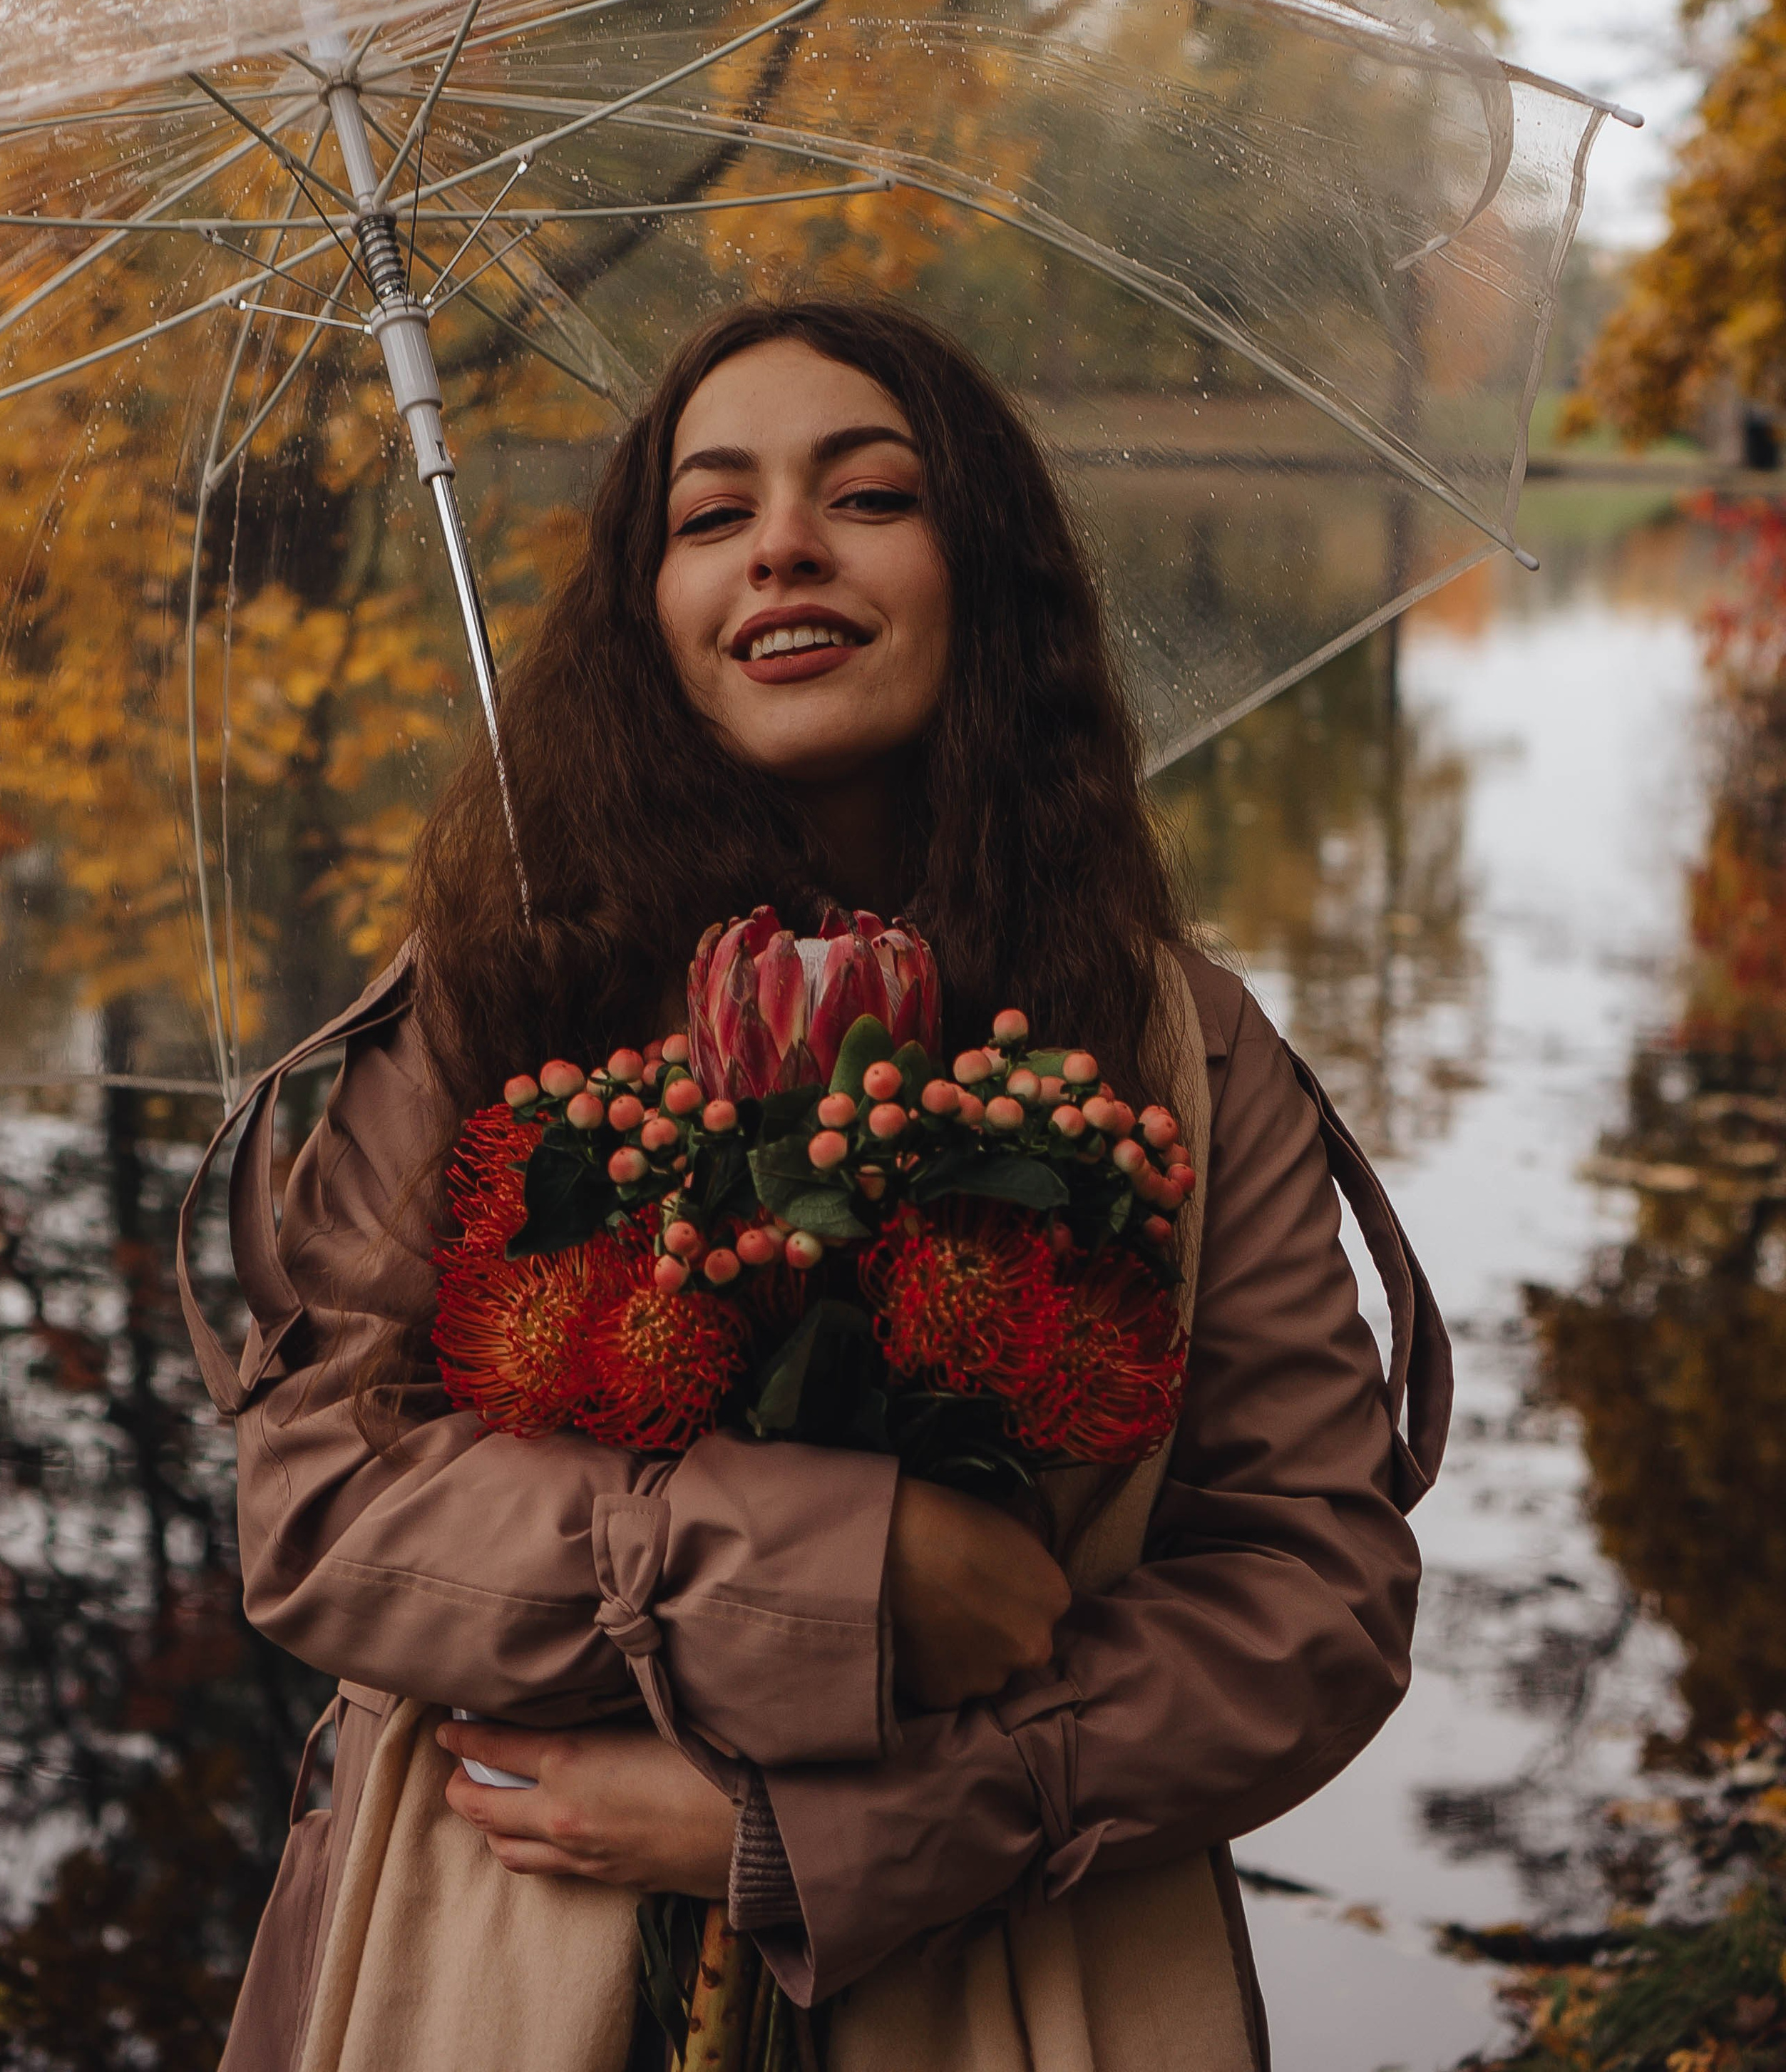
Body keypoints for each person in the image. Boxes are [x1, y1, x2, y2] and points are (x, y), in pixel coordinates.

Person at [184, 292, 1448, 2072]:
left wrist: (850, 1832)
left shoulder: (1177, 1041)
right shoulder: (494, 994)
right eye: (710, 517)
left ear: (984, 575)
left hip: (1014, 1972)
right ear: (650, 615)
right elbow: (318, 1515)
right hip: (508, 1950)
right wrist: (835, 1578)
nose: (780, 544)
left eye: (868, 496)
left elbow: (1310, 1594)